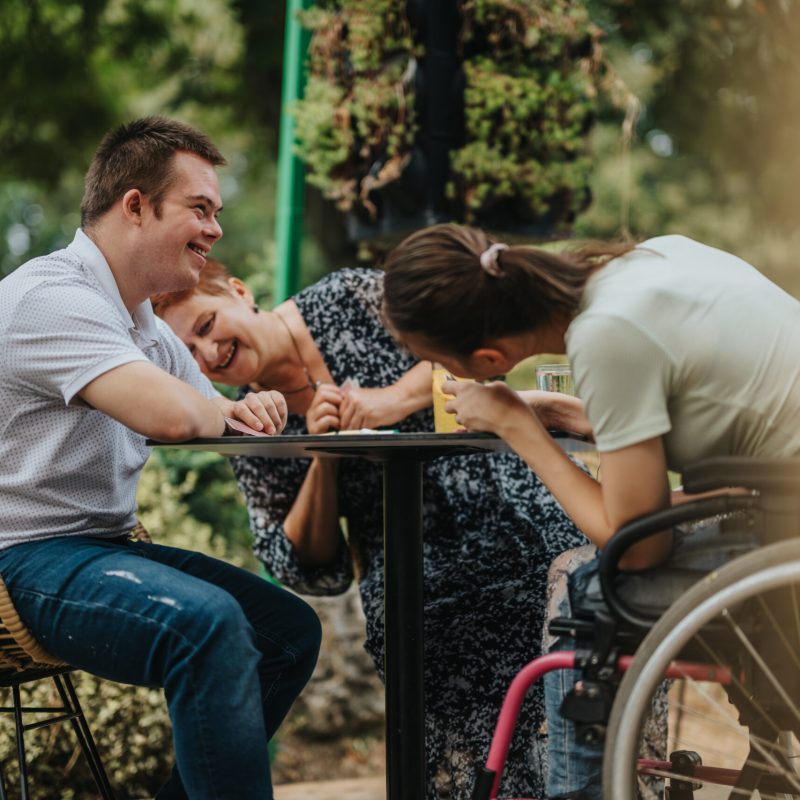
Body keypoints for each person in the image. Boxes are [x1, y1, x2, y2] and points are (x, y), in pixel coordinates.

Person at [380, 223, 800, 799]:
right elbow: (702, 405)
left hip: (784, 529)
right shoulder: (648, 260)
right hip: (779, 497)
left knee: (589, 591)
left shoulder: (607, 334)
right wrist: (564, 412)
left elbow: (635, 544)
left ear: (488, 359)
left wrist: (520, 429)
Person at [151, 258, 589, 799]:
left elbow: (469, 345)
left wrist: (389, 401)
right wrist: (324, 460)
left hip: (511, 510)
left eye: (207, 325)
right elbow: (303, 564)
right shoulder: (245, 418)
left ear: (240, 293)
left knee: (558, 605)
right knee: (421, 638)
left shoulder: (349, 294)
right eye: (189, 354)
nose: (210, 352)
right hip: (413, 574)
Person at [0, 117, 321, 800]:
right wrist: (220, 409)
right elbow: (180, 415)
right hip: (21, 556)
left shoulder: (143, 322)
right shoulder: (49, 298)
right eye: (200, 209)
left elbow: (218, 416)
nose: (216, 230)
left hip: (100, 546)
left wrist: (249, 410)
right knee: (205, 628)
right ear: (136, 206)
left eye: (217, 213)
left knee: (286, 632)